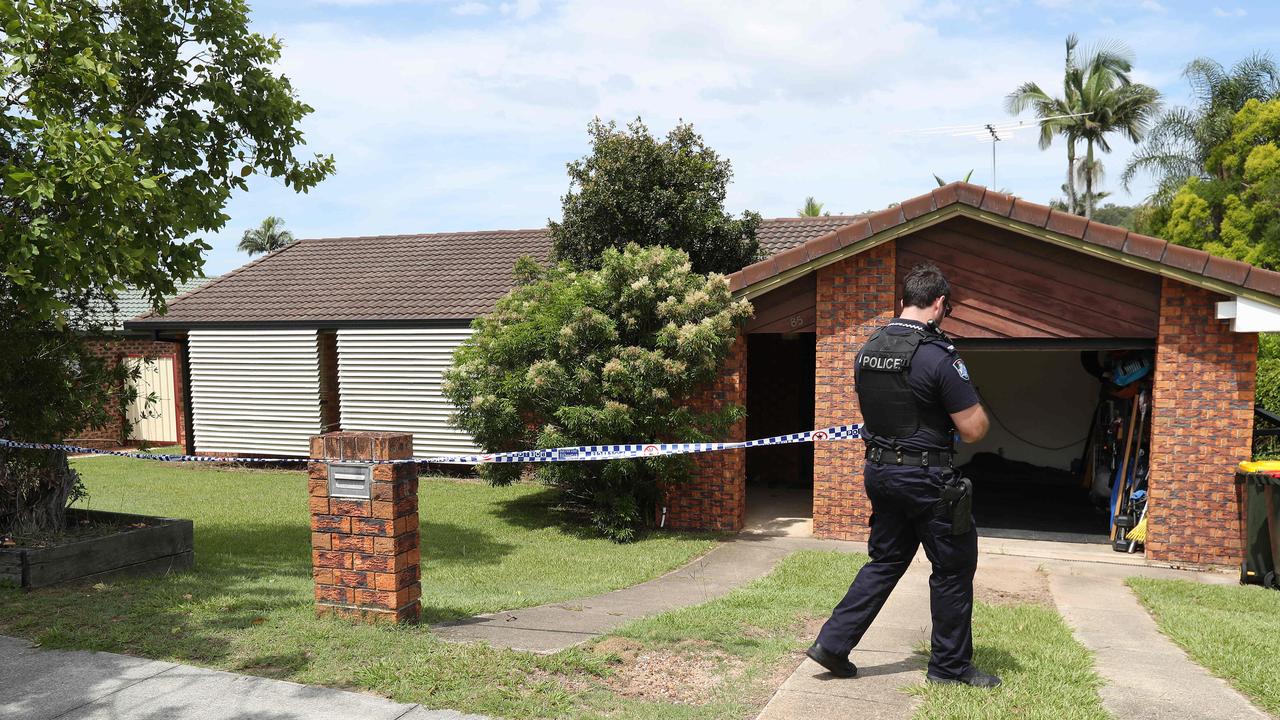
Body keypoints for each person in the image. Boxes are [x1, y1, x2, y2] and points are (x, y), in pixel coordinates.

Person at [806, 262, 1000, 688]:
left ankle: (833, 645)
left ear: (903, 301)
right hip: (927, 480)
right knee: (952, 568)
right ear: (940, 304)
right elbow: (973, 428)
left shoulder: (868, 349)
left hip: (879, 473)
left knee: (886, 560)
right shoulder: (938, 356)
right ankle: (949, 668)